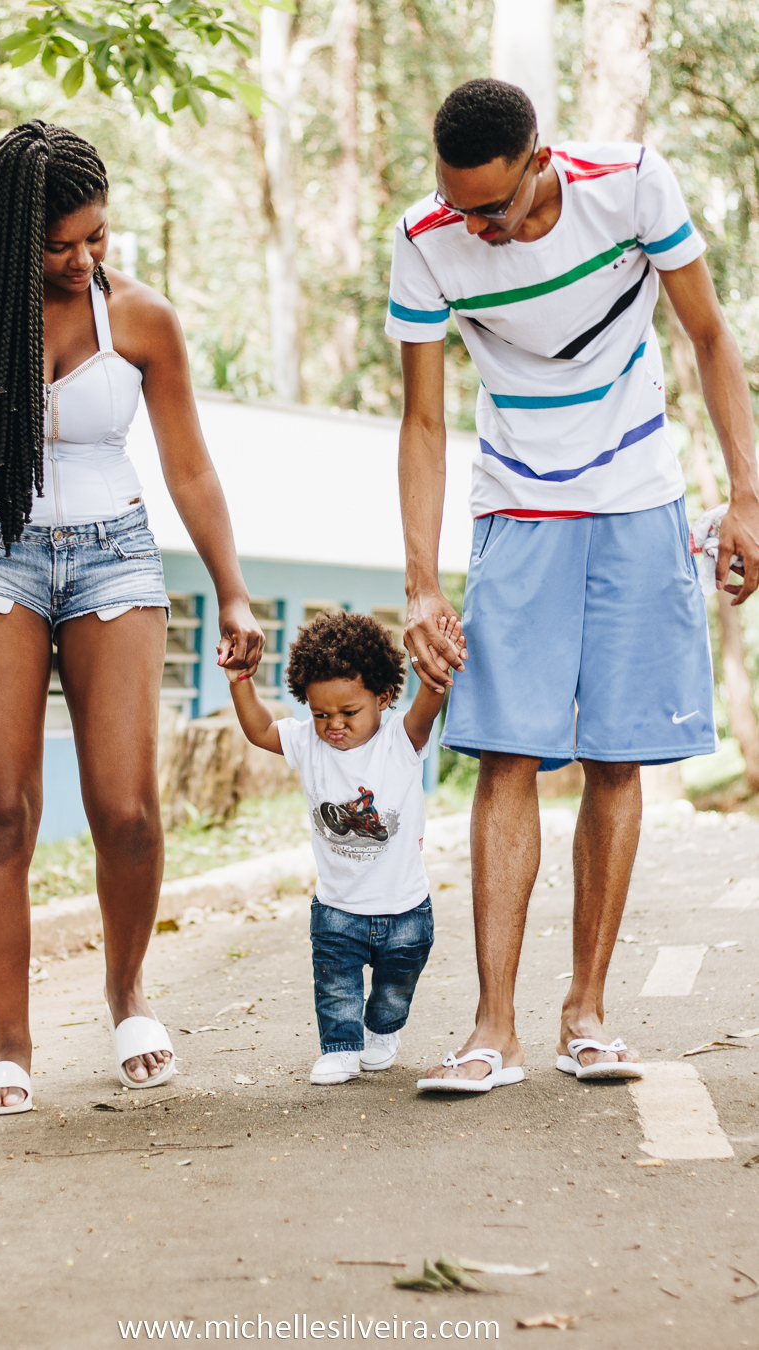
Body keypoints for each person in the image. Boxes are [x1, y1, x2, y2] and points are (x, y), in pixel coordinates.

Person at [0, 122, 264, 1115]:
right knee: (3, 808)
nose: (88, 257)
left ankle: (129, 995)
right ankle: (10, 1043)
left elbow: (189, 465)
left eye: (99, 235)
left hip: (113, 557)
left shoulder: (142, 318)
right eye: (64, 244)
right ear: (14, 240)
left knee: (127, 809)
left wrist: (232, 587)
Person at [387, 79, 759, 1092]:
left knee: (617, 755)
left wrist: (747, 495)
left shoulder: (632, 185)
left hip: (639, 497)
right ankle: (492, 1030)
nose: (478, 229)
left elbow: (710, 335)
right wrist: (422, 580)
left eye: (493, 210)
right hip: (518, 507)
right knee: (507, 754)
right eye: (460, 206)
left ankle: (586, 1014)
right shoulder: (425, 240)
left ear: (540, 163)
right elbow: (424, 422)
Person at [224, 610, 457, 1085]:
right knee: (335, 986)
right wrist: (240, 681)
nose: (334, 725)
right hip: (336, 909)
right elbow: (260, 730)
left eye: (349, 713)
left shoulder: (400, 738)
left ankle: (382, 1031)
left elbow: (430, 700)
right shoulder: (309, 743)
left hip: (405, 910)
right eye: (320, 713)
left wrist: (434, 666)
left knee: (394, 991)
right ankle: (340, 1047)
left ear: (383, 697)